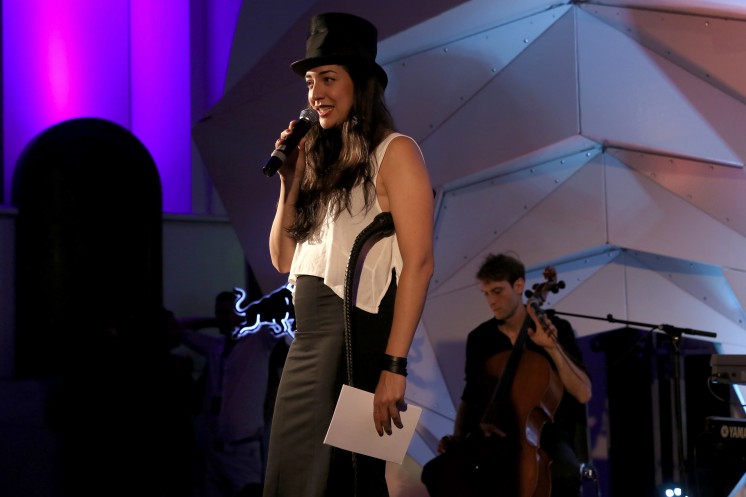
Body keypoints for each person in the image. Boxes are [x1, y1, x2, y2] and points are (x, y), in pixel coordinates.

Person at [264, 12, 434, 497]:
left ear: (360, 85)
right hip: (306, 345)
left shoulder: (396, 152)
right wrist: (290, 182)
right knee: (293, 480)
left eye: (328, 78)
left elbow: (420, 263)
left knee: (345, 480)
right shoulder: (318, 163)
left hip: (353, 341)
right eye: (310, 82)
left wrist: (394, 366)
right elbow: (283, 260)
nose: (316, 93)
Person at [421, 253, 592, 497]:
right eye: (486, 293)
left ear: (519, 285)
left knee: (564, 474)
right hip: (492, 436)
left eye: (497, 291)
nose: (491, 301)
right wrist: (460, 436)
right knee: (437, 472)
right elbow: (470, 396)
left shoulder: (555, 328)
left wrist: (552, 348)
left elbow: (583, 393)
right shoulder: (480, 338)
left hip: (545, 438)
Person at [179, 291, 282, 497]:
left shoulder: (258, 342)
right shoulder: (215, 346)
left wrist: (245, 318)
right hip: (211, 449)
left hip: (243, 449)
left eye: (226, 312)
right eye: (218, 313)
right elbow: (178, 328)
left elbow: (280, 321)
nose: (221, 318)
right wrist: (214, 320)